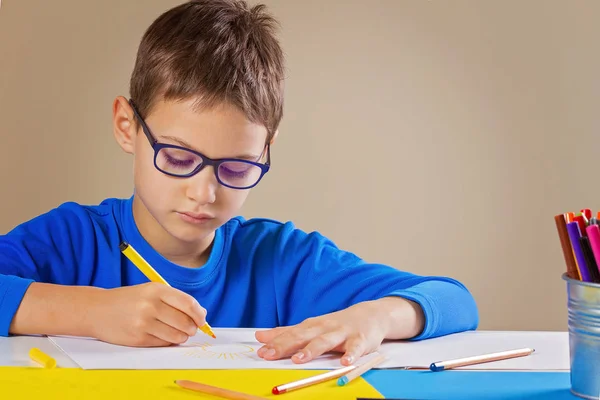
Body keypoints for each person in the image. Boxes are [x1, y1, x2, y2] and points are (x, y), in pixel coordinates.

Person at [0, 0, 478, 366]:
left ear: (266, 149)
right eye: (178, 156)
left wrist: (374, 317)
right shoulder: (70, 241)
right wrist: (91, 313)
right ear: (128, 126)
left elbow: (453, 300)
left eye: (236, 167)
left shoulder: (282, 260)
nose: (204, 193)